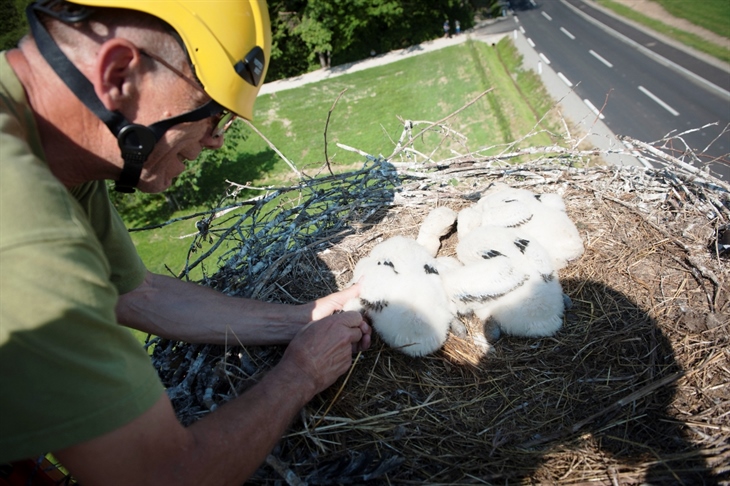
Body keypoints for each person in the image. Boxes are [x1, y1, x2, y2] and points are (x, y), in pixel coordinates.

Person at [0, 0, 371, 484]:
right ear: (118, 76)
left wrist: (304, 318)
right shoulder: (21, 219)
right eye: (213, 112)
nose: (217, 139)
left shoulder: (57, 154)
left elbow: (136, 294)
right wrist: (299, 375)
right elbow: (160, 475)